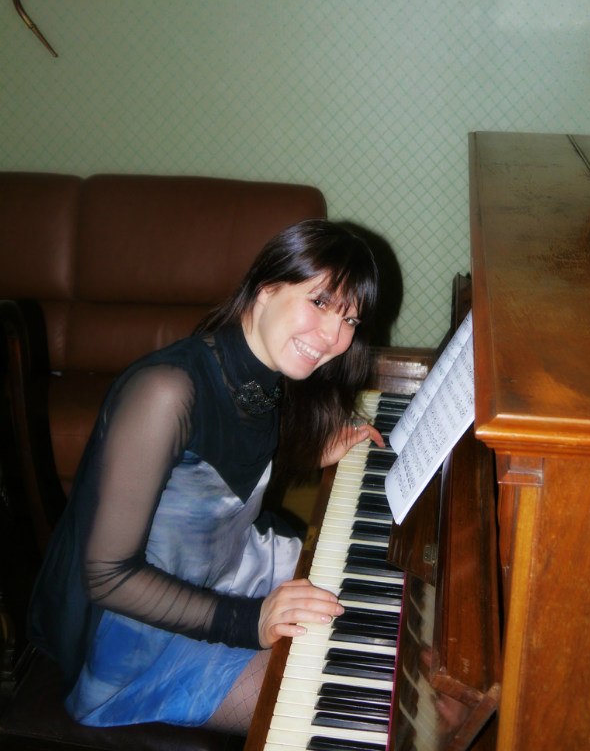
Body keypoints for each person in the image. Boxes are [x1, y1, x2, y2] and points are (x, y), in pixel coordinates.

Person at [28, 218, 385, 734]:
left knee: (370, 606)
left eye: (349, 318)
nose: (334, 336)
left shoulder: (265, 371)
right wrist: (251, 621)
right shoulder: (166, 391)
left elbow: (215, 471)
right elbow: (107, 576)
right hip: (140, 634)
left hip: (226, 565)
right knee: (341, 702)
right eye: (320, 302)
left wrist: (309, 452)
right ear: (266, 288)